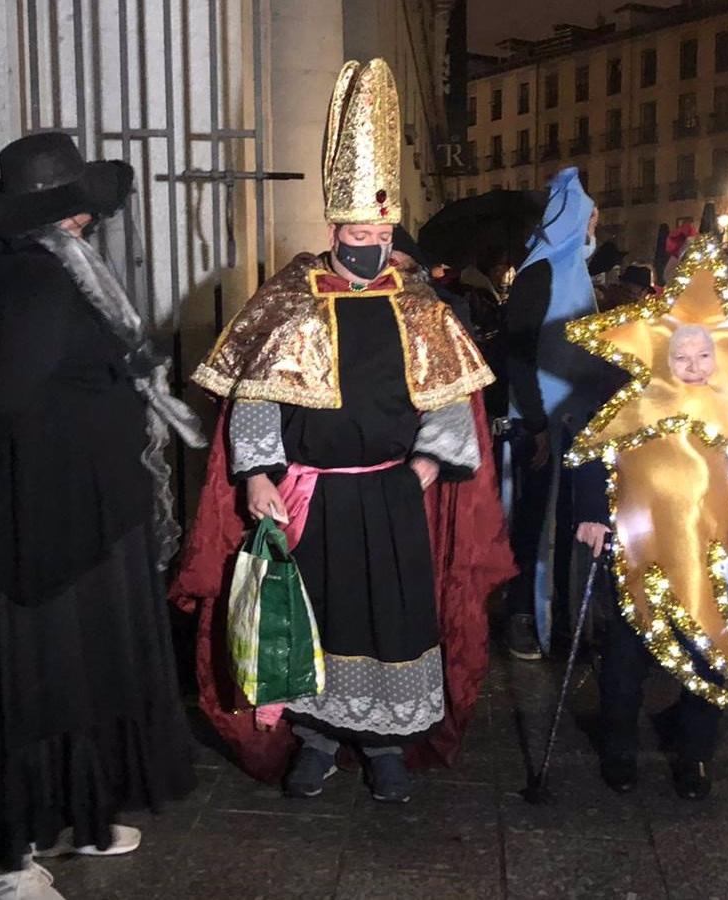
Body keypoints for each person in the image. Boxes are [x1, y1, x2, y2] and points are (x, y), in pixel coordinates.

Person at [172, 58, 512, 805]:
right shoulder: (290, 297)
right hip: (311, 496)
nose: (369, 238)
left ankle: (386, 744)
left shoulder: (423, 305)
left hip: (392, 495)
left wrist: (424, 469)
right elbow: (256, 394)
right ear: (334, 225)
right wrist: (258, 475)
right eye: (357, 226)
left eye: (381, 226)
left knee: (393, 618)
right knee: (314, 617)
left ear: (394, 228)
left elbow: (453, 401)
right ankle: (318, 742)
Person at [0, 132, 204, 900]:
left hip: (81, 514)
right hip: (36, 519)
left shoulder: (41, 267)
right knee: (29, 681)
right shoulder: (34, 278)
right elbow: (6, 389)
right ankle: (6, 859)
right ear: (73, 212)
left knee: (81, 672)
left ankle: (82, 815)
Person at [563, 232, 728, 799]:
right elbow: (587, 456)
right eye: (681, 354)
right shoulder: (630, 406)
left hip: (713, 548)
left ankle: (696, 752)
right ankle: (619, 748)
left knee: (708, 649)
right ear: (661, 355)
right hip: (636, 545)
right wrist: (590, 513)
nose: (693, 364)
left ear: (721, 356)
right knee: (626, 654)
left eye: (704, 354)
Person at [501, 168, 604, 659]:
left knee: (566, 524)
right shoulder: (537, 274)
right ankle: (522, 615)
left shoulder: (574, 272)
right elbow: (518, 355)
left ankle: (562, 621)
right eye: (591, 218)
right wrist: (538, 424)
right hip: (539, 425)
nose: (595, 227)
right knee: (531, 522)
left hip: (574, 424)